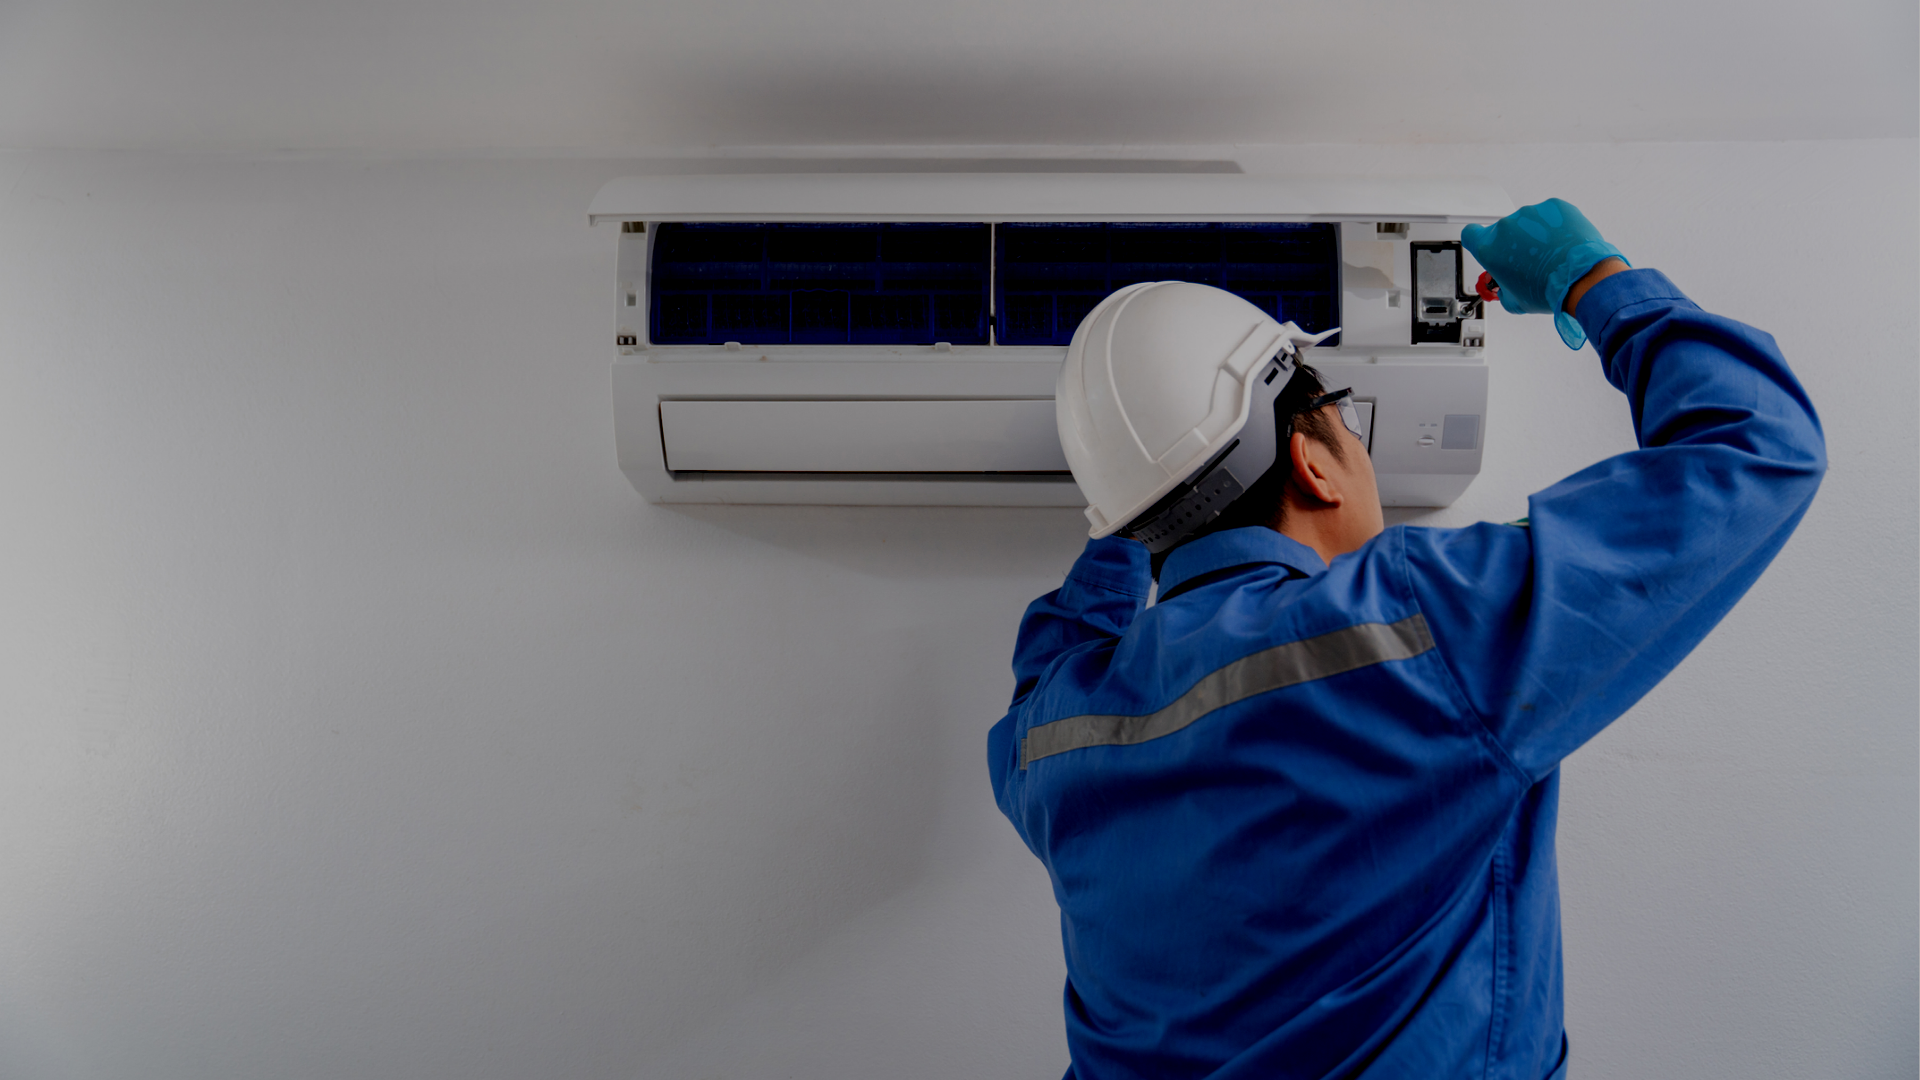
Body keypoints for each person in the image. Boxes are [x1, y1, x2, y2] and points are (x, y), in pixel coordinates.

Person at [987, 199, 1826, 1080]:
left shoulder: (1051, 737)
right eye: (1344, 418)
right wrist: (1591, 279)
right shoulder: (1420, 627)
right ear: (1312, 463)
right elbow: (1759, 447)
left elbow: (1057, 646)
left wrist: (1137, 486)